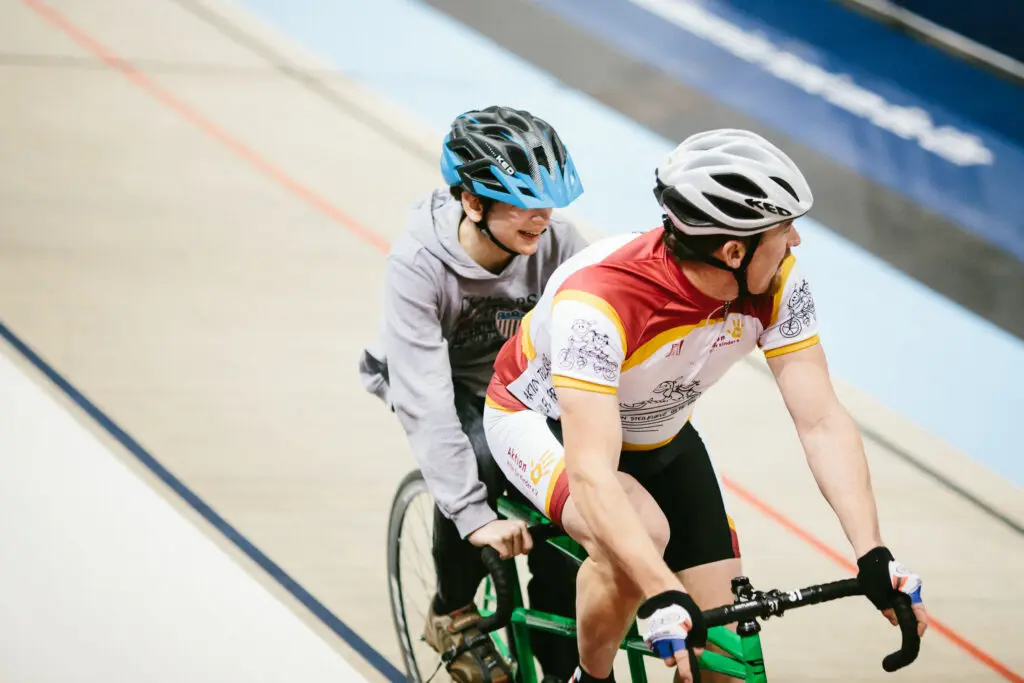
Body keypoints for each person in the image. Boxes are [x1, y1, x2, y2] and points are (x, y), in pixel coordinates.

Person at [481, 129, 929, 683]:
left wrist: (872, 552)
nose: (795, 241)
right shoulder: (598, 304)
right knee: (638, 540)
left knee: (727, 660)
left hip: (659, 435)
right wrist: (661, 590)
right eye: (783, 229)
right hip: (542, 425)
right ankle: (587, 679)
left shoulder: (778, 281)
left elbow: (821, 421)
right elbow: (592, 472)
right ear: (733, 251)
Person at [360, 105, 590, 683]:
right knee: (480, 460)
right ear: (472, 202)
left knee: (572, 493)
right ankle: (454, 612)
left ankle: (561, 656)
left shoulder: (559, 243)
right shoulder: (418, 263)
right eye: (523, 203)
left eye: (548, 203)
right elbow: (426, 399)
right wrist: (471, 515)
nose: (542, 219)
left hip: (523, 382)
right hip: (446, 379)